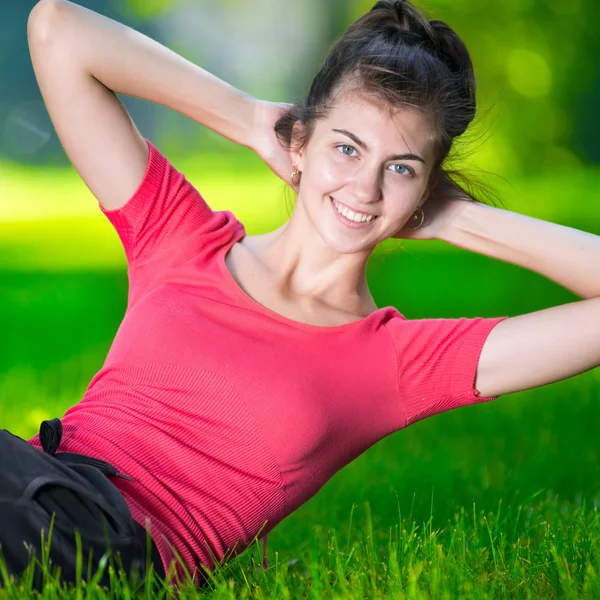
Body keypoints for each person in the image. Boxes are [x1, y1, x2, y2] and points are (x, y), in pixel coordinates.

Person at [6, 0, 599, 590]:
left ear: (428, 188)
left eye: (400, 168)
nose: (363, 187)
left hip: (106, 548)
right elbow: (58, 29)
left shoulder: (395, 361)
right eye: (346, 148)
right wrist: (246, 117)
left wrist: (459, 220)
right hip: (29, 481)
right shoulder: (181, 237)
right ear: (299, 144)